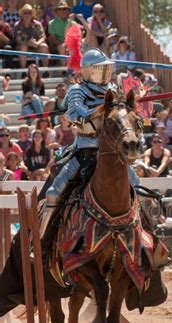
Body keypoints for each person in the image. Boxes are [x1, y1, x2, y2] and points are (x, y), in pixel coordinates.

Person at [39, 48, 139, 237]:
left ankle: (147, 237)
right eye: (102, 68)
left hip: (112, 151)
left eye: (107, 68)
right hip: (85, 150)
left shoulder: (114, 90)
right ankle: (40, 241)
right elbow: (77, 115)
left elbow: (123, 116)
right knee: (54, 192)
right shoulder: (77, 90)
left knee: (138, 186)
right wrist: (103, 111)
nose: (106, 73)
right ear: (90, 70)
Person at [13, 4, 49, 69]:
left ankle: (45, 70)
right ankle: (23, 71)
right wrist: (28, 43)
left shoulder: (37, 24)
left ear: (32, 15)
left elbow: (43, 37)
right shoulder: (17, 25)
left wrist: (37, 43)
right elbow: (18, 40)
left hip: (36, 46)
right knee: (23, 47)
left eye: (29, 13)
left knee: (44, 46)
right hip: (22, 47)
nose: (27, 15)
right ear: (22, 15)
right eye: (25, 13)